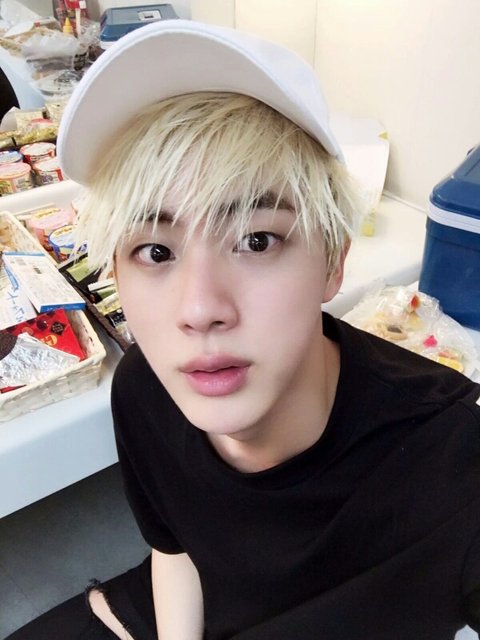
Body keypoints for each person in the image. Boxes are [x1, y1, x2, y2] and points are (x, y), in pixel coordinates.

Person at [8, 19, 480, 640]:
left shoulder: (452, 465)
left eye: (257, 241)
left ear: (333, 261)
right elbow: (175, 550)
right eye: (155, 251)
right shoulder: (146, 389)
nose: (200, 308)